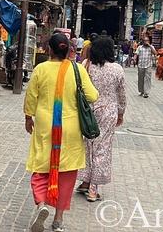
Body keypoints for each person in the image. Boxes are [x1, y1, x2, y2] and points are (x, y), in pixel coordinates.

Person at [24, 33, 99, 232]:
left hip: (45, 124)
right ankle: (58, 220)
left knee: (41, 166)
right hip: (71, 128)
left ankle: (41, 203)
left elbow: (31, 97)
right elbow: (92, 95)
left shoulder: (40, 69)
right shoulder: (77, 69)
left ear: (50, 49)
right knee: (66, 173)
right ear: (68, 50)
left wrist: (28, 117)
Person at [77, 36, 126, 203]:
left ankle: (85, 181)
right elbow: (122, 94)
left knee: (87, 145)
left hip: (89, 112)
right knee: (102, 148)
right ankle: (93, 189)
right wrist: (121, 113)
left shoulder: (86, 65)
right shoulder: (117, 69)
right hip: (108, 113)